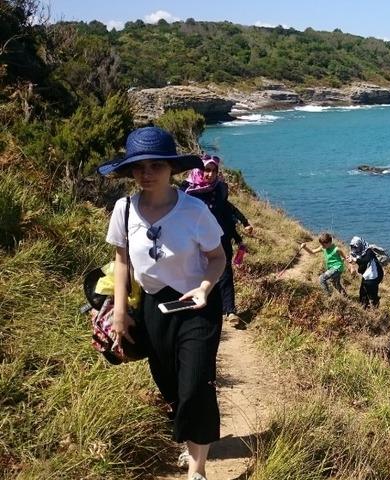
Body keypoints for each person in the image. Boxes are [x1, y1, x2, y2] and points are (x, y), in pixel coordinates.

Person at [99, 126, 226, 480]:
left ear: (172, 168)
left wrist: (204, 287)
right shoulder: (123, 210)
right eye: (139, 166)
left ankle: (198, 469)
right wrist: (120, 314)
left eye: (156, 165)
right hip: (153, 307)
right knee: (169, 383)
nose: (147, 173)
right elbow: (122, 263)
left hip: (197, 306)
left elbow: (217, 258)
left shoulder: (195, 210)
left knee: (196, 382)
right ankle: (189, 441)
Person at [181, 154, 252, 326]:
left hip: (221, 237)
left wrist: (243, 226)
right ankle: (198, 307)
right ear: (199, 170)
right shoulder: (186, 190)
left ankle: (230, 311)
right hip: (194, 240)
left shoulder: (220, 188)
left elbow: (227, 209)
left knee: (225, 272)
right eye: (206, 170)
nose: (210, 174)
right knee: (197, 272)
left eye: (214, 171)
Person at [347, 236, 382, 308]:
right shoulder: (355, 252)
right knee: (362, 292)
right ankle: (364, 307)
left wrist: (355, 260)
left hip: (375, 276)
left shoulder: (369, 251)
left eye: (355, 246)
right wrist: (351, 263)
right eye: (352, 246)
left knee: (371, 294)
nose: (354, 248)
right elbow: (353, 260)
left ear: (360, 245)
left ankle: (374, 309)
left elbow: (365, 260)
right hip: (367, 275)